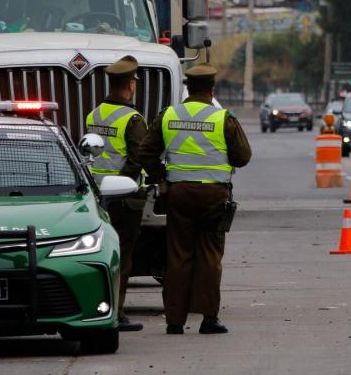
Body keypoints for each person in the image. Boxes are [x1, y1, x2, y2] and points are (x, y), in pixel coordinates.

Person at [138, 63, 252, 335]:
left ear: (187, 88)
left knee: (178, 255)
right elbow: (243, 157)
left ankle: (174, 322)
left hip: (178, 194)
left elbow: (145, 153)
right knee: (210, 256)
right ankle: (209, 319)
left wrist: (161, 175)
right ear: (212, 89)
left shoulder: (168, 115)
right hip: (214, 195)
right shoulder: (222, 118)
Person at [85, 55, 147, 332]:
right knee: (122, 255)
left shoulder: (95, 113)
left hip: (97, 196)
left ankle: (100, 306)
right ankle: (117, 312)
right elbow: (138, 159)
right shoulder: (133, 119)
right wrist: (124, 184)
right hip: (124, 199)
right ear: (131, 85)